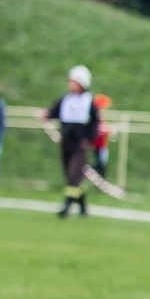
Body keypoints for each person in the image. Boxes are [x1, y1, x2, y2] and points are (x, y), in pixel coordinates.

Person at [41, 65, 100, 218]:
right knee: (70, 175)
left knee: (74, 175)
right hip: (66, 142)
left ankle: (66, 206)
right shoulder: (66, 99)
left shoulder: (89, 102)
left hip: (80, 145)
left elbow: (95, 123)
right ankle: (83, 206)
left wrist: (88, 139)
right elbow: (54, 111)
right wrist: (47, 114)